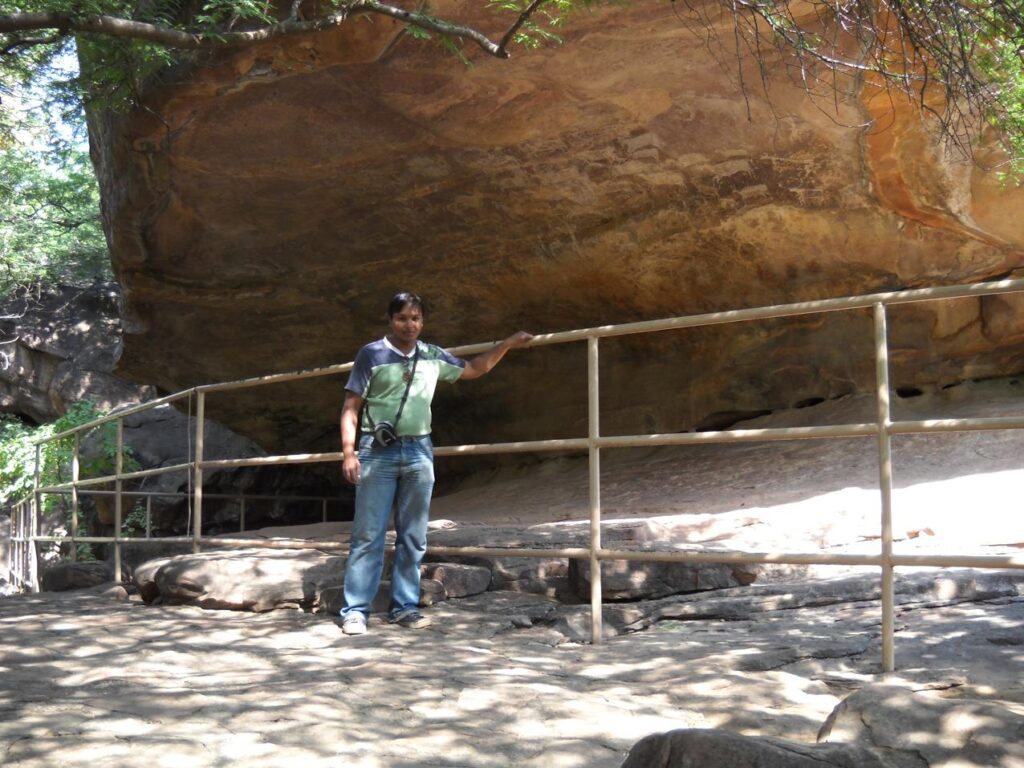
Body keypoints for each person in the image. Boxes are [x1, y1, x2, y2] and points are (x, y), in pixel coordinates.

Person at [338, 291, 532, 635]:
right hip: (376, 451)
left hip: (418, 450)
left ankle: (404, 606)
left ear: (422, 321)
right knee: (368, 534)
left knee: (413, 535)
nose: (409, 325)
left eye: (415, 318)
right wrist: (349, 453)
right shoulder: (372, 354)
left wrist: (506, 344)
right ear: (390, 320)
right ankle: (355, 610)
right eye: (402, 318)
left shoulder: (431, 355)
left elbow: (474, 369)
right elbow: (351, 407)